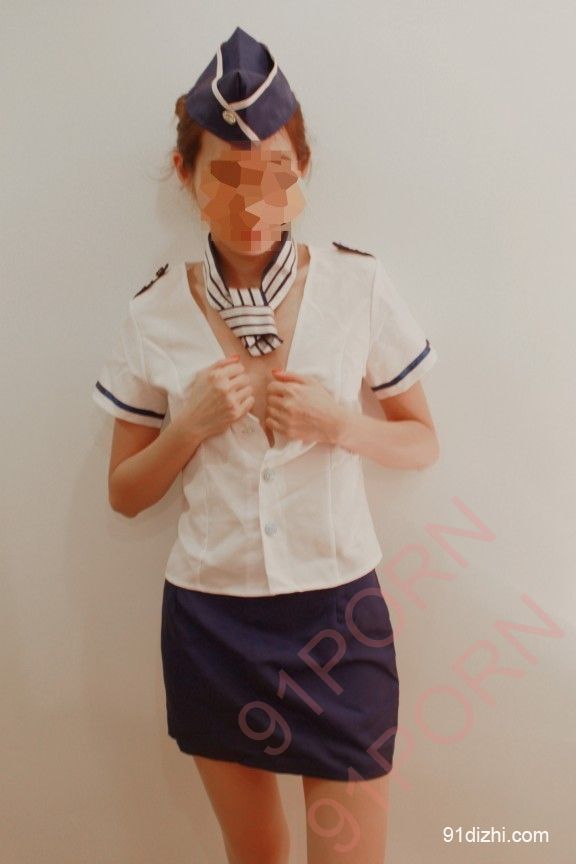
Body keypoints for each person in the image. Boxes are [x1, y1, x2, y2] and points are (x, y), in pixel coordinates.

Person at [92, 25, 440, 864]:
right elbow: (126, 493)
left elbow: (422, 441)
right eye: (227, 176)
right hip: (212, 624)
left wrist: (339, 425)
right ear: (187, 175)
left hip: (340, 618)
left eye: (276, 173)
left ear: (302, 172)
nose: (253, 204)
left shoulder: (358, 285)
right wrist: (188, 426)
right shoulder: (153, 312)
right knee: (255, 856)